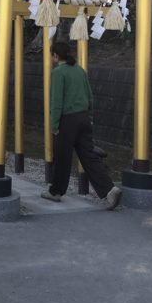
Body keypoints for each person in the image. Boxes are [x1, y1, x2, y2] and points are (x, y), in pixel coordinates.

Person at [41, 41, 122, 209]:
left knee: (62, 157)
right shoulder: (80, 71)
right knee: (89, 156)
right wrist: (89, 115)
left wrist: (54, 125)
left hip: (67, 120)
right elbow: (90, 95)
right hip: (84, 118)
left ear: (55, 56)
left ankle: (56, 191)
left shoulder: (58, 73)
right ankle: (109, 189)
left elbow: (56, 101)